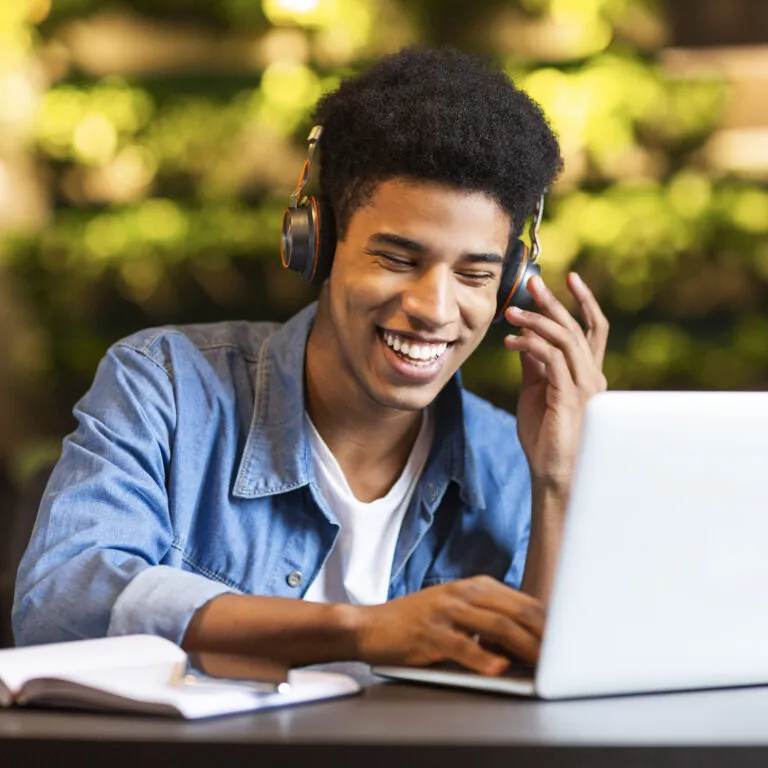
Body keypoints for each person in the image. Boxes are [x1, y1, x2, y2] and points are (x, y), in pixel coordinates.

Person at [13, 47, 608, 676]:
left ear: (511, 284)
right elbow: (57, 605)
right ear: (317, 244)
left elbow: (545, 695)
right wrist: (359, 631)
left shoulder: (511, 460)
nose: (436, 309)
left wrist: (562, 480)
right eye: (398, 259)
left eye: (475, 273)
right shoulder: (164, 386)